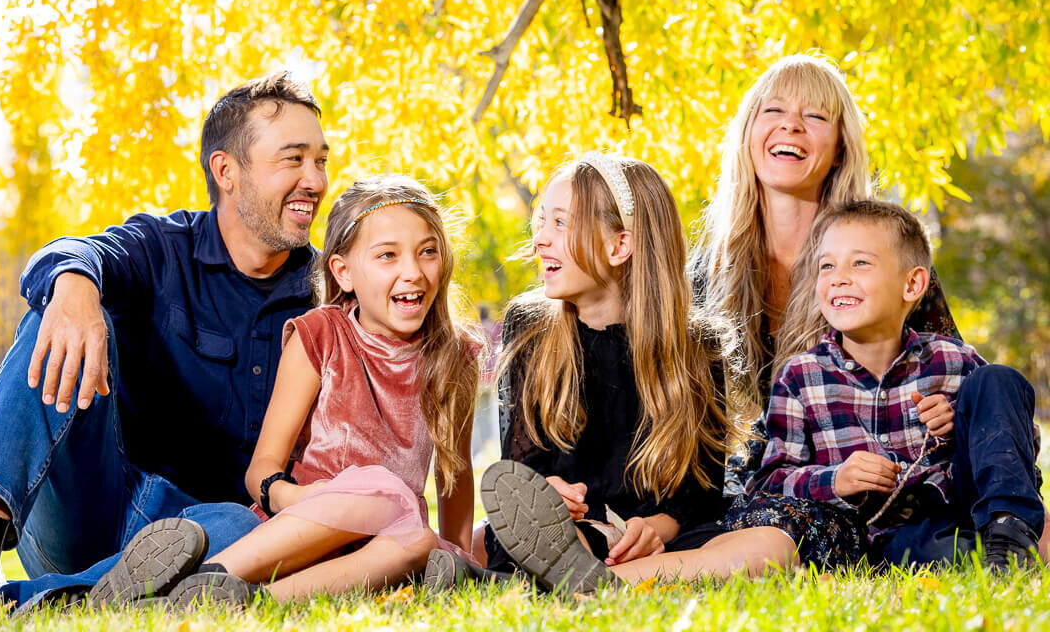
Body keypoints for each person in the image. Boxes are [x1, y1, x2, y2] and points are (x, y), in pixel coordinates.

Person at [0, 72, 329, 610]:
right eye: (294, 159)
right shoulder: (164, 248)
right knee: (60, 311)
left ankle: (41, 600)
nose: (316, 181)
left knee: (239, 522)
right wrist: (75, 291)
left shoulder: (331, 296)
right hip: (90, 507)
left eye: (321, 160)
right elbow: (71, 252)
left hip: (205, 537)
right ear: (226, 171)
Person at [427, 154, 796, 594]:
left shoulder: (698, 347)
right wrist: (548, 493)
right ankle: (573, 574)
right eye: (542, 221)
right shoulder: (530, 328)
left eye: (560, 224)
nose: (540, 239)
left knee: (772, 547)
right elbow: (521, 468)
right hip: (562, 533)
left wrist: (656, 529)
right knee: (482, 540)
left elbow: (700, 495)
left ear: (619, 246)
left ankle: (569, 584)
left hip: (654, 547)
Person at [127, 175, 482, 606]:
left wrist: (458, 553)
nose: (413, 272)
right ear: (343, 272)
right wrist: (296, 496)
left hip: (378, 551)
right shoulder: (320, 335)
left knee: (418, 538)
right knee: (381, 489)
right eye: (388, 255)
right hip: (296, 531)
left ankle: (249, 603)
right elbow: (262, 469)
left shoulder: (454, 355)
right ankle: (208, 577)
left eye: (428, 251)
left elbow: (455, 479)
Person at [693, 53, 981, 567]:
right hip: (738, 489)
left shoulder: (885, 261)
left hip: (869, 497)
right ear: (746, 133)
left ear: (840, 147)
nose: (792, 126)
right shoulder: (704, 270)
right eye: (773, 111)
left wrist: (953, 413)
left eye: (816, 117)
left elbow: (948, 376)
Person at [751, 200, 1043, 569]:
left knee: (998, 378)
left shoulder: (952, 360)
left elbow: (1018, 443)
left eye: (860, 263)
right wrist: (836, 479)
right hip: (891, 536)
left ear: (912, 284)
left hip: (968, 502)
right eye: (827, 265)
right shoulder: (800, 378)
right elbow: (769, 483)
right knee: (930, 552)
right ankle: (991, 556)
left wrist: (960, 421)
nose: (838, 276)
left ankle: (1009, 532)